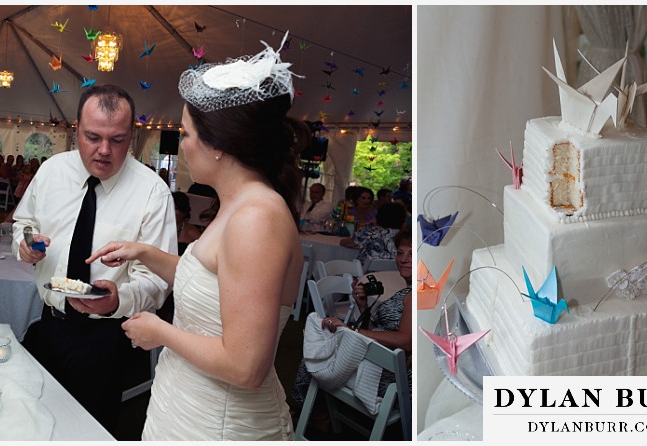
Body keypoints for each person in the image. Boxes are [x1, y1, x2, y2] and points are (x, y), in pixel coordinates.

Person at [86, 34, 305, 440]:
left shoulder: (257, 217)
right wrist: (146, 253)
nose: (182, 144)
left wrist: (160, 332)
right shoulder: (237, 204)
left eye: (185, 134)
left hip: (220, 421)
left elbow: (246, 367)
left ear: (219, 144)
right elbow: (212, 282)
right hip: (186, 402)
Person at [11, 84, 176, 434]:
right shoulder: (53, 170)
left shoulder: (152, 192)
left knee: (90, 429)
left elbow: (157, 279)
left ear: (132, 136)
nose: (104, 150)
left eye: (117, 140)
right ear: (76, 129)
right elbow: (24, 223)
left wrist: (120, 299)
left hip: (106, 336)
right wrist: (24, 244)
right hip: (50, 320)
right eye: (92, 137)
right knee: (38, 421)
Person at [292, 228, 413, 430]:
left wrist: (352, 330)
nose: (403, 259)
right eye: (400, 253)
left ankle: (312, 414)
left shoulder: (415, 295)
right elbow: (384, 332)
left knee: (314, 358)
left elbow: (405, 340)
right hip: (382, 358)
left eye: (411, 254)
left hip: (389, 374)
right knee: (322, 348)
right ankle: (317, 412)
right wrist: (363, 306)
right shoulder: (409, 290)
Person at [340, 202, 407, 263]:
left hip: (365, 274)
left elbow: (345, 242)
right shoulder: (405, 237)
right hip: (394, 273)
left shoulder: (369, 231)